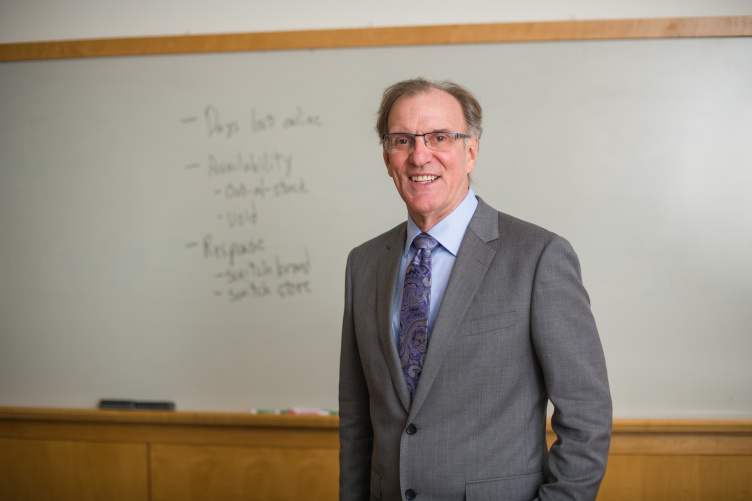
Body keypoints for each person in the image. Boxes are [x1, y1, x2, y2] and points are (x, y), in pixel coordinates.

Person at [339, 78, 612, 501]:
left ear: (471, 151)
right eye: (402, 140)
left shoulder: (539, 256)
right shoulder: (364, 263)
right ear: (387, 157)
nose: (420, 155)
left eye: (439, 137)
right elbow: (357, 422)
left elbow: (587, 417)